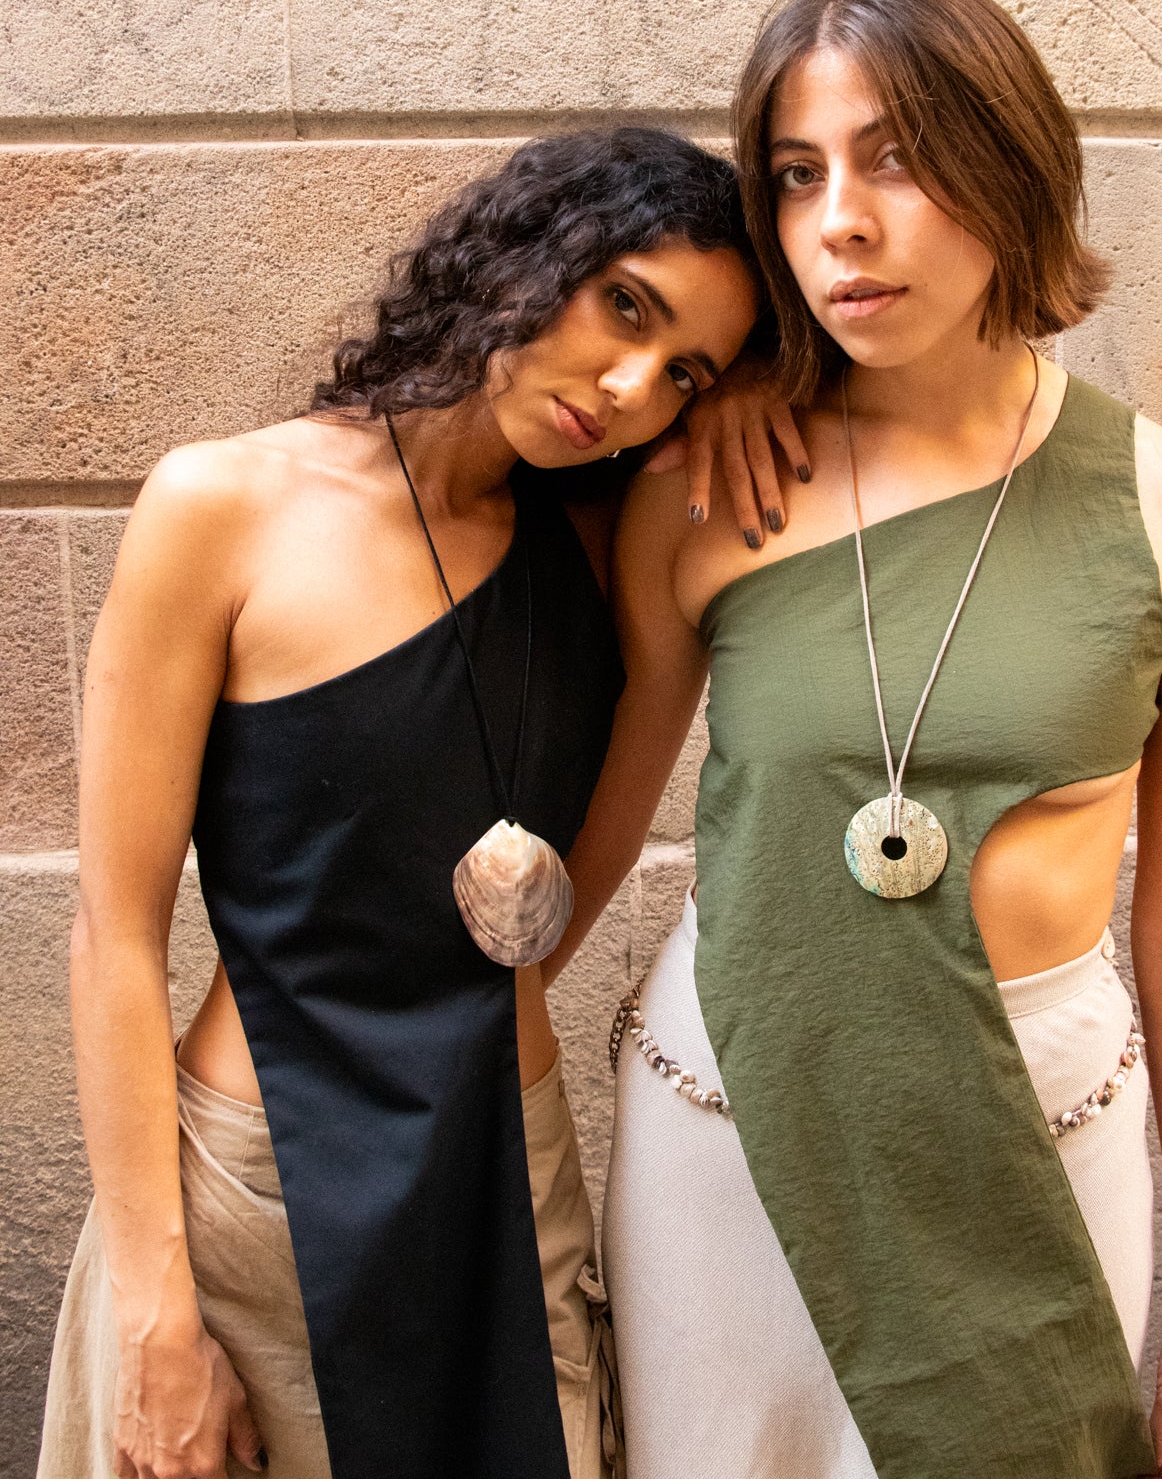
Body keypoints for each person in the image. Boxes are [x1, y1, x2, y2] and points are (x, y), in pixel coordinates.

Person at [552, 0, 1162, 1479]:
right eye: (796, 175)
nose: (841, 225)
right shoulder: (708, 486)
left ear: (1009, 165)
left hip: (1040, 1127)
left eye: (893, 160)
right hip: (733, 1125)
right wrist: (455, 1054)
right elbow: (596, 824)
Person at [37, 128, 768, 1479]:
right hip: (258, 1195)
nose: (628, 389)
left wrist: (747, 402)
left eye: (686, 373)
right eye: (624, 306)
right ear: (526, 250)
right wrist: (155, 1316)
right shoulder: (224, 507)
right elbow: (115, 933)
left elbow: (589, 865)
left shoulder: (610, 542)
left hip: (506, 1175)